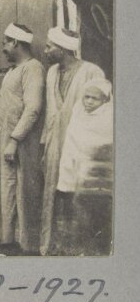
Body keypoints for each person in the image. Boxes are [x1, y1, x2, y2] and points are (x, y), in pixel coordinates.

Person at [0, 23, 44, 254]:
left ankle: (15, 243)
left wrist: (14, 139)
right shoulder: (15, 69)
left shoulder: (33, 68)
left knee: (14, 187)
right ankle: (0, 237)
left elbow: (33, 108)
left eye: (5, 42)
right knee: (2, 185)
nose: (3, 47)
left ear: (16, 42)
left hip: (17, 143)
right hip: (3, 141)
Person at [40, 27, 105, 255]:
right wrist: (45, 142)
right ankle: (52, 247)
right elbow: (51, 111)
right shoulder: (50, 73)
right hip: (54, 145)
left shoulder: (91, 72)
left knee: (78, 196)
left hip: (81, 148)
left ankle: (80, 250)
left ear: (63, 49)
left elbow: (102, 112)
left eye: (49, 46)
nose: (45, 50)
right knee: (53, 194)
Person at [55, 79, 113, 255]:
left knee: (95, 215)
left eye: (94, 98)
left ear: (104, 100)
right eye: (86, 97)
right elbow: (72, 139)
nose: (88, 101)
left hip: (96, 173)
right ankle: (75, 248)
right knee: (74, 212)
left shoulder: (109, 115)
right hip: (73, 167)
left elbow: (104, 142)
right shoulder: (78, 111)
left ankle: (98, 249)